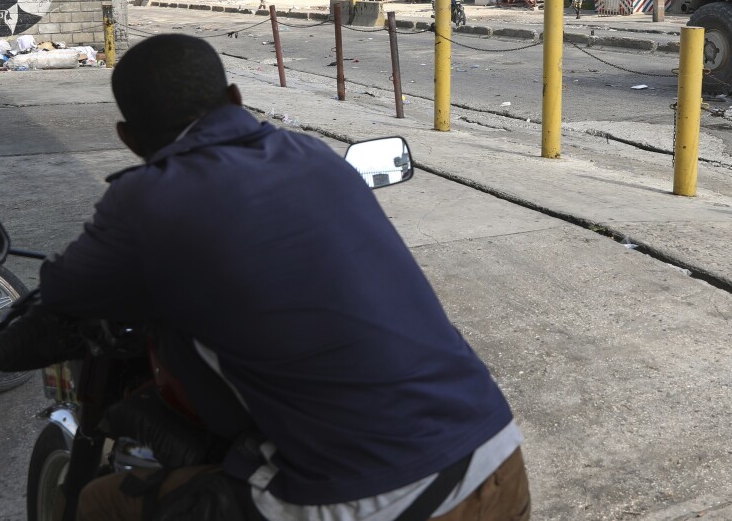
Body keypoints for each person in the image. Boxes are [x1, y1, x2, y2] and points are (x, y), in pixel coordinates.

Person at [39, 35, 529, 521]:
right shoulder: (310, 153)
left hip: (372, 500)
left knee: (99, 504)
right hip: (496, 458)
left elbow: (64, 291)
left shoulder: (144, 200)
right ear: (235, 99)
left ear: (127, 137)